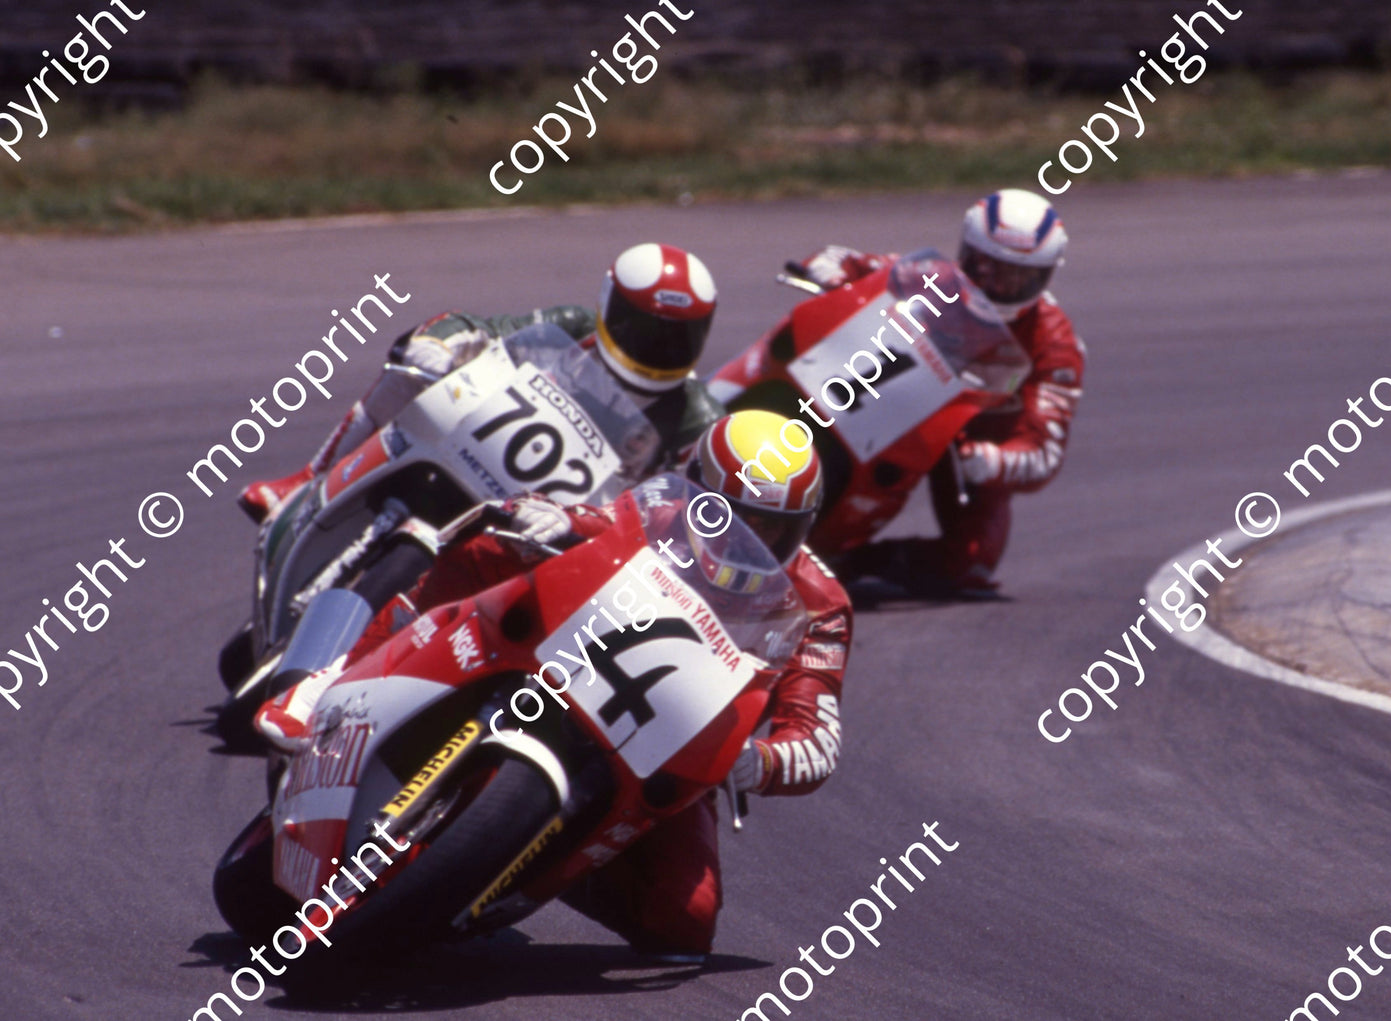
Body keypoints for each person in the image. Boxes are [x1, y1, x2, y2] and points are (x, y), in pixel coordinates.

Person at [339, 409, 851, 957]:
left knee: (684, 922)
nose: (750, 540)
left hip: (666, 745)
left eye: (772, 528)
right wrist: (553, 519)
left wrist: (755, 762)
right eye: (734, 518)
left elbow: (816, 738)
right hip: (572, 657)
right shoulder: (665, 512)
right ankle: (345, 684)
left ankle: (522, 862)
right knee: (487, 547)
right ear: (698, 494)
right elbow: (598, 522)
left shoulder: (822, 606)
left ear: (804, 524)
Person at [239, 242, 727, 522]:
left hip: (560, 527)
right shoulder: (574, 326)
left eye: (677, 337)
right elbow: (486, 328)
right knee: (414, 371)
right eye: (645, 330)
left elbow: (695, 511)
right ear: (608, 307)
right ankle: (307, 484)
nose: (658, 348)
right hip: (480, 451)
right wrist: (442, 340)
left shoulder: (696, 417)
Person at [790, 187, 1085, 594]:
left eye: (1019, 276)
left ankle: (850, 562)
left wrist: (990, 461)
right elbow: (843, 259)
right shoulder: (933, 277)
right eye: (988, 267)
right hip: (876, 389)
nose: (1000, 284)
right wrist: (831, 274)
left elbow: (1044, 454)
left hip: (961, 443)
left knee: (973, 560)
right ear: (967, 253)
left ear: (1046, 274)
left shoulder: (1055, 344)